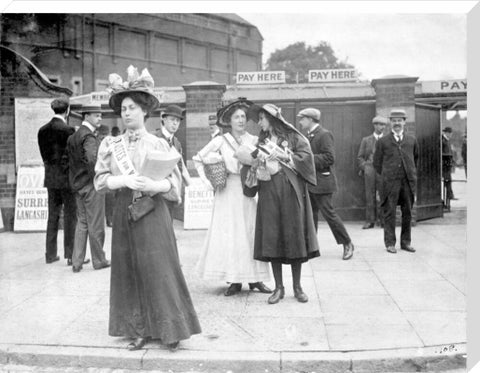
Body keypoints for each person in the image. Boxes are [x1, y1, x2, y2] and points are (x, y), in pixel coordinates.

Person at [94, 67, 201, 351]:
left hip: (153, 211)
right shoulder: (110, 144)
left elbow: (175, 185)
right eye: (124, 109)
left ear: (144, 112)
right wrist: (123, 179)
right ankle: (138, 329)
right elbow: (99, 181)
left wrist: (157, 186)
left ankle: (171, 328)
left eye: (133, 108)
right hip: (124, 210)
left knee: (160, 267)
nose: (127, 113)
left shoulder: (158, 143)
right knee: (129, 270)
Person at [194, 99, 272, 296]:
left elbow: (265, 162)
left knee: (250, 232)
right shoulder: (221, 140)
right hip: (227, 190)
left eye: (243, 117)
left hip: (247, 189)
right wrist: (210, 180)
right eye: (236, 117)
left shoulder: (253, 140)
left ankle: (255, 279)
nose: (240, 120)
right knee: (230, 234)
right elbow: (198, 158)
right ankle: (234, 280)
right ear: (229, 120)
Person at [249, 103, 319, 304]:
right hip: (269, 191)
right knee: (272, 236)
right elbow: (254, 163)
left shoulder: (294, 137)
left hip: (290, 190)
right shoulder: (261, 140)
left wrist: (284, 155)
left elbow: (306, 160)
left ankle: (297, 287)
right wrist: (257, 161)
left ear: (271, 119)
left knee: (294, 235)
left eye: (261, 119)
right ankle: (279, 287)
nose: (259, 123)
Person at [297, 108, 354, 260]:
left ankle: (347, 243)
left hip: (323, 182)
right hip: (311, 182)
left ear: (310, 119)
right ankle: (311, 247)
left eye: (302, 119)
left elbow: (329, 158)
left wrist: (306, 159)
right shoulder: (309, 135)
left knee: (329, 214)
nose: (300, 122)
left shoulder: (324, 134)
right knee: (311, 216)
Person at [67, 103, 110, 273]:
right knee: (96, 224)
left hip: (77, 185)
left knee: (82, 223)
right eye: (96, 115)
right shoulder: (90, 137)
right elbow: (93, 161)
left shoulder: (73, 136)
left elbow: (69, 162)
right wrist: (99, 179)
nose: (100, 117)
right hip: (91, 185)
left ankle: (77, 262)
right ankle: (99, 260)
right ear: (86, 116)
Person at [37, 97, 77, 265]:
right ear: (67, 111)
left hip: (51, 178)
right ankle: (70, 255)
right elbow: (72, 157)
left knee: (52, 216)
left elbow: (44, 156)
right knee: (70, 216)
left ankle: (50, 254)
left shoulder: (42, 130)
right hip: (66, 180)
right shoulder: (69, 131)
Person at [373, 109, 418, 254]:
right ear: (390, 123)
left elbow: (415, 159)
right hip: (390, 183)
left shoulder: (412, 140)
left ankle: (406, 242)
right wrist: (388, 175)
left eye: (399, 120)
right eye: (394, 120)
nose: (397, 123)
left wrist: (409, 174)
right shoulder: (383, 141)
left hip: (407, 182)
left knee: (408, 213)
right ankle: (390, 243)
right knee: (389, 212)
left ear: (404, 122)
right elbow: (377, 163)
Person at [156, 104, 191, 217]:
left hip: (172, 191)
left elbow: (180, 167)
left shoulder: (176, 143)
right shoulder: (155, 139)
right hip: (157, 191)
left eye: (177, 121)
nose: (175, 123)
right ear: (164, 119)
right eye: (172, 119)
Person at [357, 116, 387, 229]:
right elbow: (360, 157)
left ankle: (383, 220)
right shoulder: (366, 140)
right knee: (369, 195)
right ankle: (370, 220)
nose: (382, 127)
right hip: (370, 170)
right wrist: (365, 167)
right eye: (379, 125)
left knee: (384, 195)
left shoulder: (387, 140)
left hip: (383, 171)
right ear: (374, 125)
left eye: (383, 125)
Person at [105, 126, 120, 227]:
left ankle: (110, 220)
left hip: (111, 176)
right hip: (115, 175)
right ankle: (112, 220)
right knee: (114, 200)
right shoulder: (118, 144)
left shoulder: (108, 143)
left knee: (110, 201)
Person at [442, 127, 457, 201]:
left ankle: (449, 195)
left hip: (447, 164)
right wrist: (448, 155)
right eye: (450, 133)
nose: (451, 135)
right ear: (447, 133)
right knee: (447, 179)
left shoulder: (447, 140)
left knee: (448, 179)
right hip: (444, 164)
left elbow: (449, 151)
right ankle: (449, 196)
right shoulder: (442, 140)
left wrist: (452, 159)